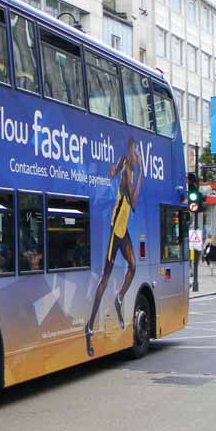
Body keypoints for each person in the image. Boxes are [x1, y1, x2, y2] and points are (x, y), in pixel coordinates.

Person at [85, 136, 142, 357]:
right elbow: (134, 202)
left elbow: (133, 204)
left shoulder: (128, 169)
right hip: (115, 232)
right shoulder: (128, 173)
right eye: (135, 153)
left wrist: (118, 169)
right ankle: (89, 325)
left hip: (124, 231)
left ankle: (119, 298)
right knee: (104, 278)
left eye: (137, 153)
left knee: (133, 266)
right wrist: (136, 170)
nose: (137, 156)